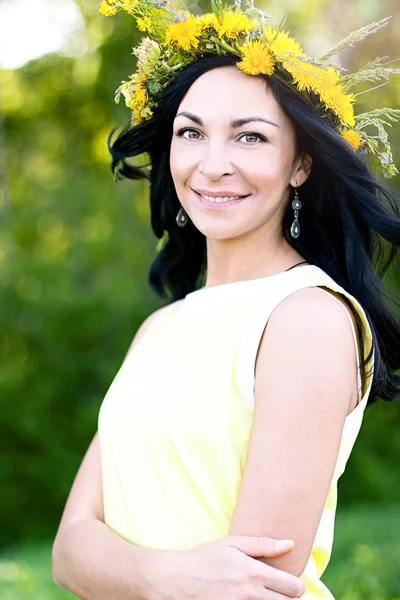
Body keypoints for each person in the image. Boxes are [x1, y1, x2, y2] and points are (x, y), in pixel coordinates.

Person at [52, 2, 400, 598]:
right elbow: (67, 549)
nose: (213, 166)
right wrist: (165, 575)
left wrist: (129, 572)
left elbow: (250, 586)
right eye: (192, 133)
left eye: (250, 137)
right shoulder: (160, 327)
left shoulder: (306, 318)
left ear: (300, 165)